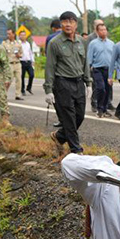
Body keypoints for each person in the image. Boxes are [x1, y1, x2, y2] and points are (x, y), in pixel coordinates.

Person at [44, 11, 92, 155]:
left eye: (71, 21)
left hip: (78, 83)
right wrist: (48, 90)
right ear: (61, 24)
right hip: (62, 84)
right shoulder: (54, 43)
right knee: (69, 118)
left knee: (80, 116)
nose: (68, 24)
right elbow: (50, 66)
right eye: (64, 22)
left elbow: (85, 63)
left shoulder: (82, 42)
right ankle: (76, 150)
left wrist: (88, 83)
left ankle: (59, 136)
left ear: (76, 24)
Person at [87, 22, 116, 117]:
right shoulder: (93, 43)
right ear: (97, 31)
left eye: (105, 30)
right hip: (97, 69)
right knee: (101, 88)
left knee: (108, 90)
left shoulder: (111, 43)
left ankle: (104, 109)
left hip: (108, 70)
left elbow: (114, 58)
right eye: (101, 30)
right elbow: (89, 58)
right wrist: (88, 70)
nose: (103, 32)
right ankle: (99, 108)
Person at [3, 28, 24, 100]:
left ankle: (18, 95)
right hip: (9, 64)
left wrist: (19, 55)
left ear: (13, 34)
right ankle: (4, 94)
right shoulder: (4, 43)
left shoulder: (18, 43)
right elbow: (2, 53)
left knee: (19, 80)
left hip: (17, 63)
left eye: (9, 34)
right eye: (7, 34)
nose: (8, 35)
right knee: (8, 80)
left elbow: (22, 54)